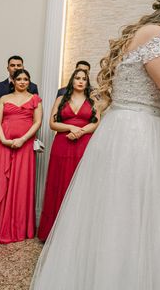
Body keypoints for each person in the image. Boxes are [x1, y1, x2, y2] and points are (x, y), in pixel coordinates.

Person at [31, 0, 160, 289]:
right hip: (140, 140)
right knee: (141, 218)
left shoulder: (150, 36)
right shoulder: (156, 36)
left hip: (128, 133)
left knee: (130, 219)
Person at [0, 69, 41, 244]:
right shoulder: (4, 99)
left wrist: (22, 139)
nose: (22, 82)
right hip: (3, 144)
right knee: (0, 182)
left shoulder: (35, 99)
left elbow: (37, 122)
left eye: (26, 79)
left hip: (25, 145)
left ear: (29, 82)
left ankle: (16, 227)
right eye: (19, 79)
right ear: (12, 81)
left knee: (20, 183)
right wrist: (4, 140)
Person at [37, 68, 99, 241]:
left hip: (85, 145)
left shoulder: (93, 100)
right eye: (77, 78)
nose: (80, 81)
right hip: (63, 144)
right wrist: (70, 128)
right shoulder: (61, 99)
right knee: (60, 183)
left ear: (87, 82)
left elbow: (96, 122)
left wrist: (80, 132)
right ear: (72, 80)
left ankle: (79, 233)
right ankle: (54, 232)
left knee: (82, 184)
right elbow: (52, 123)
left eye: (84, 79)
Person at [0, 56, 39, 162]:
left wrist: (23, 136)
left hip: (25, 138)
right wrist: (4, 132)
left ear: (23, 66)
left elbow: (35, 115)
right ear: (8, 68)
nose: (15, 67)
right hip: (1, 137)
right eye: (12, 65)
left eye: (18, 65)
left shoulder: (33, 87)